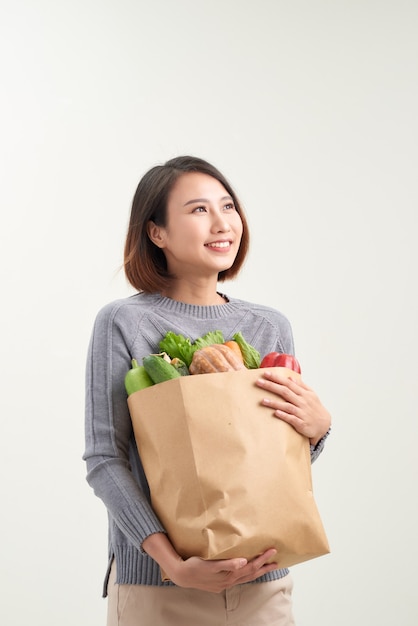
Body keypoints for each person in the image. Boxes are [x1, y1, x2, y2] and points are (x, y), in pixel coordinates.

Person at [83, 155, 331, 626]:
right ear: (156, 232)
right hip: (158, 588)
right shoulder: (125, 322)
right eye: (198, 210)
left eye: (228, 207)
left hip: (263, 583)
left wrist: (317, 432)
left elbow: (267, 461)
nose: (222, 223)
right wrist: (172, 565)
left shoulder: (268, 326)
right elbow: (104, 459)